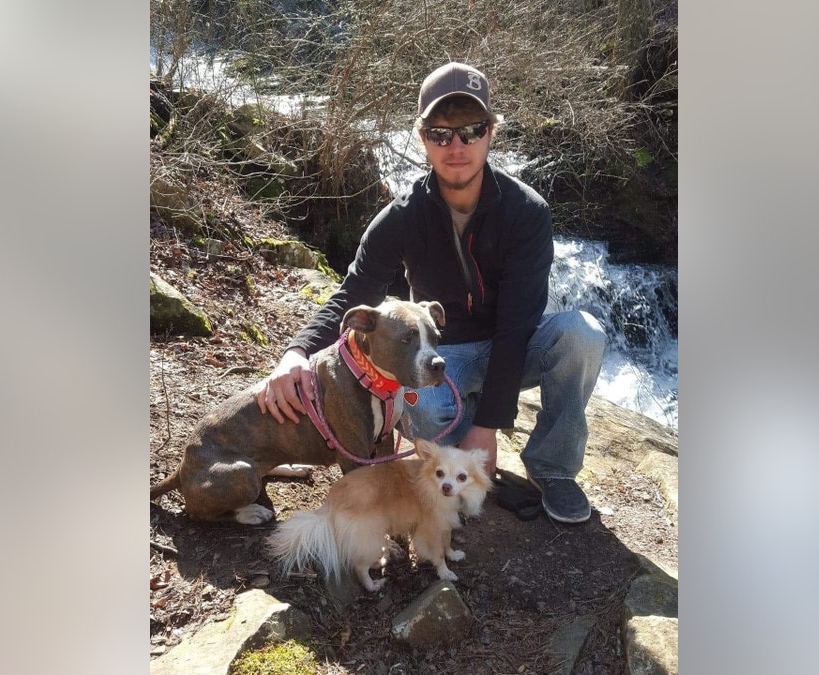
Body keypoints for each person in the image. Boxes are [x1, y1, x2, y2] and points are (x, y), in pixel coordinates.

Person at [255, 62, 606, 523]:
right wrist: (297, 351)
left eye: (470, 130)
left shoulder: (527, 212)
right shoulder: (402, 217)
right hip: (442, 357)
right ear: (422, 138)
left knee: (583, 334)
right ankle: (457, 439)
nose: (456, 146)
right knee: (426, 406)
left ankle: (553, 469)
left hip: (515, 347)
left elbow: (518, 324)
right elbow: (354, 291)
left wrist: (489, 426)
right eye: (441, 134)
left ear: (490, 133)